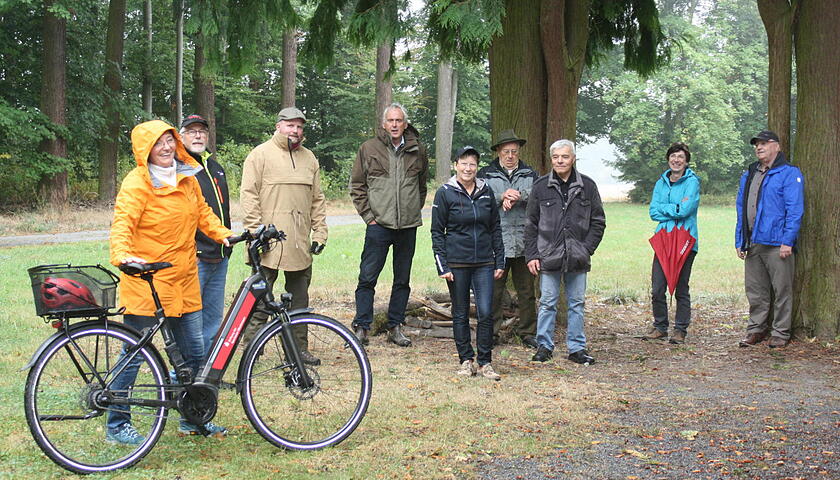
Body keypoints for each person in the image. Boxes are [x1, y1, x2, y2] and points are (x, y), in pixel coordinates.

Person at [108, 119, 234, 444]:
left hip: (184, 281)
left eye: (169, 141)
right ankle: (117, 424)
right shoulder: (137, 183)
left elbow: (205, 214)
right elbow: (123, 223)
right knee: (134, 354)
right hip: (147, 280)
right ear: (144, 150)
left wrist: (226, 235)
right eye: (158, 143)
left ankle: (193, 419)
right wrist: (122, 255)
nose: (165, 148)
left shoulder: (186, 178)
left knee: (194, 353)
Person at [239, 107, 328, 364]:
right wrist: (256, 231)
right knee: (259, 299)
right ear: (278, 126)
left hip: (299, 241)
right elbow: (249, 195)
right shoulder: (259, 155)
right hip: (267, 242)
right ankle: (252, 350)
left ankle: (298, 350)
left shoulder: (309, 158)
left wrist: (320, 232)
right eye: (290, 125)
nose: (295, 131)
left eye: (300, 127)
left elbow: (317, 200)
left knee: (299, 301)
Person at [350, 103, 429, 347]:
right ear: (384, 124)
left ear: (405, 124)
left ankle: (395, 326)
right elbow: (357, 186)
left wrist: (412, 209)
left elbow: (422, 185)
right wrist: (369, 216)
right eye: (390, 121)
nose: (395, 125)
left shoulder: (418, 150)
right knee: (367, 277)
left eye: (399, 121)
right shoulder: (369, 148)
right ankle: (362, 326)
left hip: (407, 226)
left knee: (402, 279)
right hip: (378, 225)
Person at [525, 139, 605, 365]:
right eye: (556, 157)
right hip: (548, 255)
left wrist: (586, 248)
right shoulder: (541, 186)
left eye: (565, 156)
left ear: (573, 158)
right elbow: (530, 223)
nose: (560, 161)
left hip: (578, 256)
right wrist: (532, 255)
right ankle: (544, 346)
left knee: (577, 303)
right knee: (548, 301)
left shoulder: (587, 186)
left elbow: (598, 221)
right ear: (551, 159)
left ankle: (577, 348)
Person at [431, 146, 505, 380]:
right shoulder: (445, 193)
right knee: (460, 313)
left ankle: (485, 362)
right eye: (463, 163)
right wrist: (443, 265)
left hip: (484, 262)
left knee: (485, 312)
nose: (468, 168)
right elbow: (437, 232)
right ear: (455, 165)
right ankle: (466, 360)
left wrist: (499, 260)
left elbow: (495, 228)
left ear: (477, 167)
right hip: (457, 263)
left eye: (472, 164)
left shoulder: (486, 191)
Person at [735, 130, 804, 349]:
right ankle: (756, 330)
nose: (759, 147)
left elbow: (795, 210)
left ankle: (781, 332)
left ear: (777, 146)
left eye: (764, 143)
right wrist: (740, 239)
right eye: (756, 144)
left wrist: (788, 241)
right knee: (756, 291)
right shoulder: (750, 173)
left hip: (777, 244)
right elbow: (741, 209)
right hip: (753, 242)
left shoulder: (789, 173)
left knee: (782, 290)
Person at [477, 129, 539, 348]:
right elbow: (479, 199)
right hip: (497, 242)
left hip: (524, 241)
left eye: (514, 151)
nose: (510, 155)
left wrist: (519, 196)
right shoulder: (486, 174)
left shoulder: (530, 173)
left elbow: (539, 196)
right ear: (498, 152)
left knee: (526, 292)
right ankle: (491, 333)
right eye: (506, 151)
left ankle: (528, 332)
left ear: (519, 151)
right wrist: (501, 196)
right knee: (493, 292)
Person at [179, 114, 232, 365]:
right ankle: (187, 372)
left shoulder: (215, 167)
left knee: (212, 318)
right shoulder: (180, 167)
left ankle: (206, 373)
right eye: (191, 131)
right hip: (195, 256)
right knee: (190, 319)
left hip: (219, 254)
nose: (198, 135)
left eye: (202, 131)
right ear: (181, 136)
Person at [644, 143, 700, 344]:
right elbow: (653, 211)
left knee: (681, 287)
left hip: (685, 241)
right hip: (664, 239)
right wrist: (675, 208)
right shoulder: (661, 182)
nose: (676, 160)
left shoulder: (692, 182)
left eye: (681, 157)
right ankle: (660, 326)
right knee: (658, 287)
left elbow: (685, 210)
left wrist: (666, 209)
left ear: (686, 161)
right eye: (673, 156)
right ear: (668, 159)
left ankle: (680, 330)